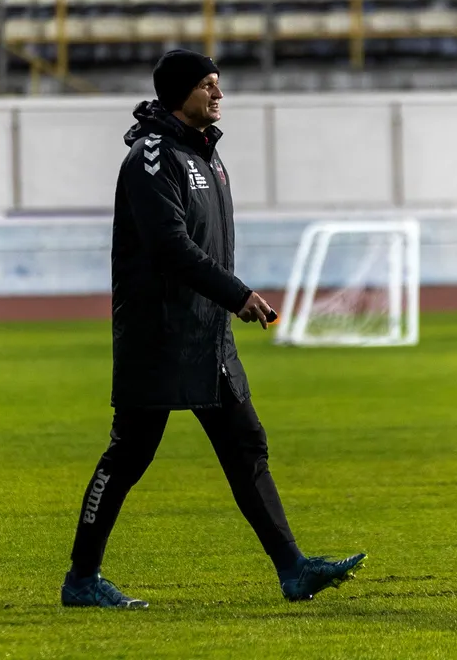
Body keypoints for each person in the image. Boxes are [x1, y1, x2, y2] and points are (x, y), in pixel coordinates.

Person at [60, 49, 366, 609]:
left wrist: (224, 305)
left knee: (247, 445)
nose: (219, 94)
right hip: (158, 335)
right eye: (207, 85)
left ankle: (293, 570)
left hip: (209, 336)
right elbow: (170, 247)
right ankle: (81, 579)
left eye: (218, 84)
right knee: (130, 454)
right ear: (181, 93)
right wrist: (237, 294)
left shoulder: (205, 153)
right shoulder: (152, 157)